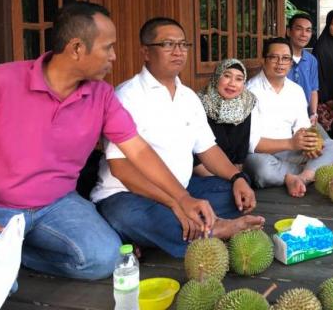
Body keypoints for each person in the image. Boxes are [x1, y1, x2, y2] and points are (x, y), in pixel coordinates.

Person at [0, 2, 215, 281]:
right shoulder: (4, 79)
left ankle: (20, 254)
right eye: (107, 47)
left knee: (108, 259)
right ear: (76, 48)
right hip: (0, 205)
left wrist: (182, 198)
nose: (114, 56)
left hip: (58, 204)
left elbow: (137, 149)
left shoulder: (102, 95)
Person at [92, 18, 263, 258]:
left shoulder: (189, 98)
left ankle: (170, 232)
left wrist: (237, 178)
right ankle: (213, 230)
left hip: (183, 188)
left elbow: (208, 149)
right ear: (146, 52)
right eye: (168, 44)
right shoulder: (127, 96)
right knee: (128, 215)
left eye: (183, 45)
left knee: (233, 194)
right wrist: (176, 201)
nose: (178, 51)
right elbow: (122, 170)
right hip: (130, 194)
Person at [244, 37, 333, 197]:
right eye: (274, 57)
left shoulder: (296, 90)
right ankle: (313, 171)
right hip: (264, 155)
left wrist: (309, 145)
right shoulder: (249, 92)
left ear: (291, 63)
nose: (280, 63)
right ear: (263, 60)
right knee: (261, 169)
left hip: (293, 152)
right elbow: (252, 144)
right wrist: (291, 143)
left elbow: (302, 128)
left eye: (285, 58)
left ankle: (301, 178)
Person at [195, 58, 256, 175]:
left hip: (232, 171)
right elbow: (195, 154)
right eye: (227, 76)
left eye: (239, 79)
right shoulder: (199, 102)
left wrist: (234, 176)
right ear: (217, 77)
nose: (232, 83)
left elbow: (241, 151)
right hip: (203, 170)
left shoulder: (246, 103)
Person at [286, 13, 319, 121]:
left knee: (325, 138)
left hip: (304, 117)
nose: (304, 34)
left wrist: (313, 114)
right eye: (299, 29)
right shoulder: (280, 58)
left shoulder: (312, 60)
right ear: (288, 32)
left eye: (308, 30)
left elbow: (313, 90)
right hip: (283, 116)